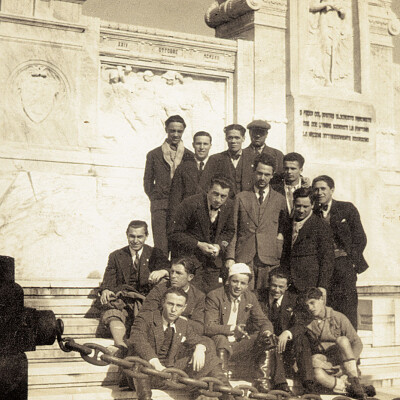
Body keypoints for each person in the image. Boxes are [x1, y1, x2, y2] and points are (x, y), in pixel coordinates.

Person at [127, 287, 234, 400]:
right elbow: (138, 340)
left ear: (184, 308)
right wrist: (155, 363)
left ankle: (229, 395)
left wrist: (200, 348)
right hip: (144, 374)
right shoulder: (146, 318)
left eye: (178, 306)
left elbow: (199, 339)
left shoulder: (182, 324)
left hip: (169, 373)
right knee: (139, 361)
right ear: (163, 303)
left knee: (209, 358)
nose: (173, 309)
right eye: (170, 304)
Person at [205, 263, 292, 393]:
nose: (238, 286)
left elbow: (263, 321)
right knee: (220, 338)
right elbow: (209, 327)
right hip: (218, 344)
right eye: (235, 281)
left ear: (247, 285)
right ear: (228, 281)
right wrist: (232, 329)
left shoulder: (249, 297)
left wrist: (267, 332)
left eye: (243, 283)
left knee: (266, 338)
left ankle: (262, 382)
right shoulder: (215, 296)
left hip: (238, 345)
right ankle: (223, 384)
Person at [99, 220, 170, 352]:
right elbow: (109, 278)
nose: (135, 241)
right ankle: (121, 346)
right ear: (127, 235)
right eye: (132, 236)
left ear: (146, 236)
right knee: (112, 309)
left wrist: (163, 271)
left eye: (139, 237)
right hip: (124, 300)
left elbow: (171, 269)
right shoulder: (116, 256)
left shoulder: (155, 253)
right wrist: (106, 289)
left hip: (145, 301)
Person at [312, 175, 368, 330]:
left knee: (348, 306)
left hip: (343, 266)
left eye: (323, 188)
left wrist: (351, 262)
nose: (319, 192)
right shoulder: (311, 211)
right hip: (322, 268)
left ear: (332, 190)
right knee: (326, 307)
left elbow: (360, 238)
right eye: (316, 189)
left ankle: (351, 349)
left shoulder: (346, 208)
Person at [225, 153, 287, 290]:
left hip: (269, 258)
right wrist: (230, 257)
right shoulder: (241, 197)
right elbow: (233, 229)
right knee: (244, 295)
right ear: (254, 172)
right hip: (245, 255)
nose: (262, 178)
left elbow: (283, 230)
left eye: (266, 174)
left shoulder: (280, 200)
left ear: (272, 175)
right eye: (259, 173)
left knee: (265, 296)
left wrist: (277, 250)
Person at [169, 175, 235, 293]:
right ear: (208, 190)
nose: (218, 200)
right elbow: (175, 234)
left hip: (213, 265)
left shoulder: (229, 206)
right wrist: (198, 244)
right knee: (192, 296)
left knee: (211, 298)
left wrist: (220, 245)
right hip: (191, 262)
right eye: (215, 194)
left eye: (223, 196)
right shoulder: (190, 204)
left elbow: (229, 231)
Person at [302, 287, 368, 399]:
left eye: (313, 303)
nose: (310, 308)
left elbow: (357, 343)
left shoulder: (338, 317)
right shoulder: (308, 323)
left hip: (345, 360)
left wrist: (345, 367)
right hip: (328, 362)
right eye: (307, 305)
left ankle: (354, 381)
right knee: (316, 371)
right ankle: (346, 388)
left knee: (342, 340)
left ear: (321, 299)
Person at [258, 268, 316, 394]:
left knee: (302, 338)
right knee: (270, 340)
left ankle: (308, 384)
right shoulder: (258, 296)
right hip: (265, 344)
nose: (276, 290)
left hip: (287, 348)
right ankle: (281, 384)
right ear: (268, 283)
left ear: (287, 286)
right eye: (273, 285)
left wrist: (288, 333)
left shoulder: (294, 299)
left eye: (281, 286)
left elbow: (303, 321)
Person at [143, 115, 193, 255]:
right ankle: (162, 274)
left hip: (181, 208)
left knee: (179, 244)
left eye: (179, 131)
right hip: (161, 207)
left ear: (183, 131)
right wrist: (156, 198)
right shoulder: (154, 155)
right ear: (166, 130)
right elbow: (147, 181)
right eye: (172, 131)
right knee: (161, 246)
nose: (175, 135)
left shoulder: (189, 156)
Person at [280, 187, 335, 297]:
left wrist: (322, 286)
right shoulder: (287, 224)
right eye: (298, 206)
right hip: (289, 284)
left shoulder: (321, 226)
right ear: (293, 203)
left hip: (310, 284)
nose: (301, 210)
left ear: (313, 205)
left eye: (305, 207)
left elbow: (327, 258)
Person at [140, 257, 206, 333]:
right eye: (172, 272)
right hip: (159, 331)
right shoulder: (159, 290)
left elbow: (199, 326)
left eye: (178, 273)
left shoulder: (198, 296)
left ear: (190, 277)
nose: (173, 276)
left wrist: (178, 321)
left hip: (184, 335)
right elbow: (145, 314)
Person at [169, 131, 216, 218]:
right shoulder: (183, 168)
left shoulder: (217, 167)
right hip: (188, 216)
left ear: (210, 146)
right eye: (198, 144)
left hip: (209, 216)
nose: (202, 147)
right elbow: (175, 199)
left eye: (205, 144)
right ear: (193, 145)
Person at [208, 124, 254, 196]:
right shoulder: (215, 159)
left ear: (243, 138)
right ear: (226, 139)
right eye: (230, 138)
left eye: (237, 138)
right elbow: (206, 186)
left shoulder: (253, 159)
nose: (233, 141)